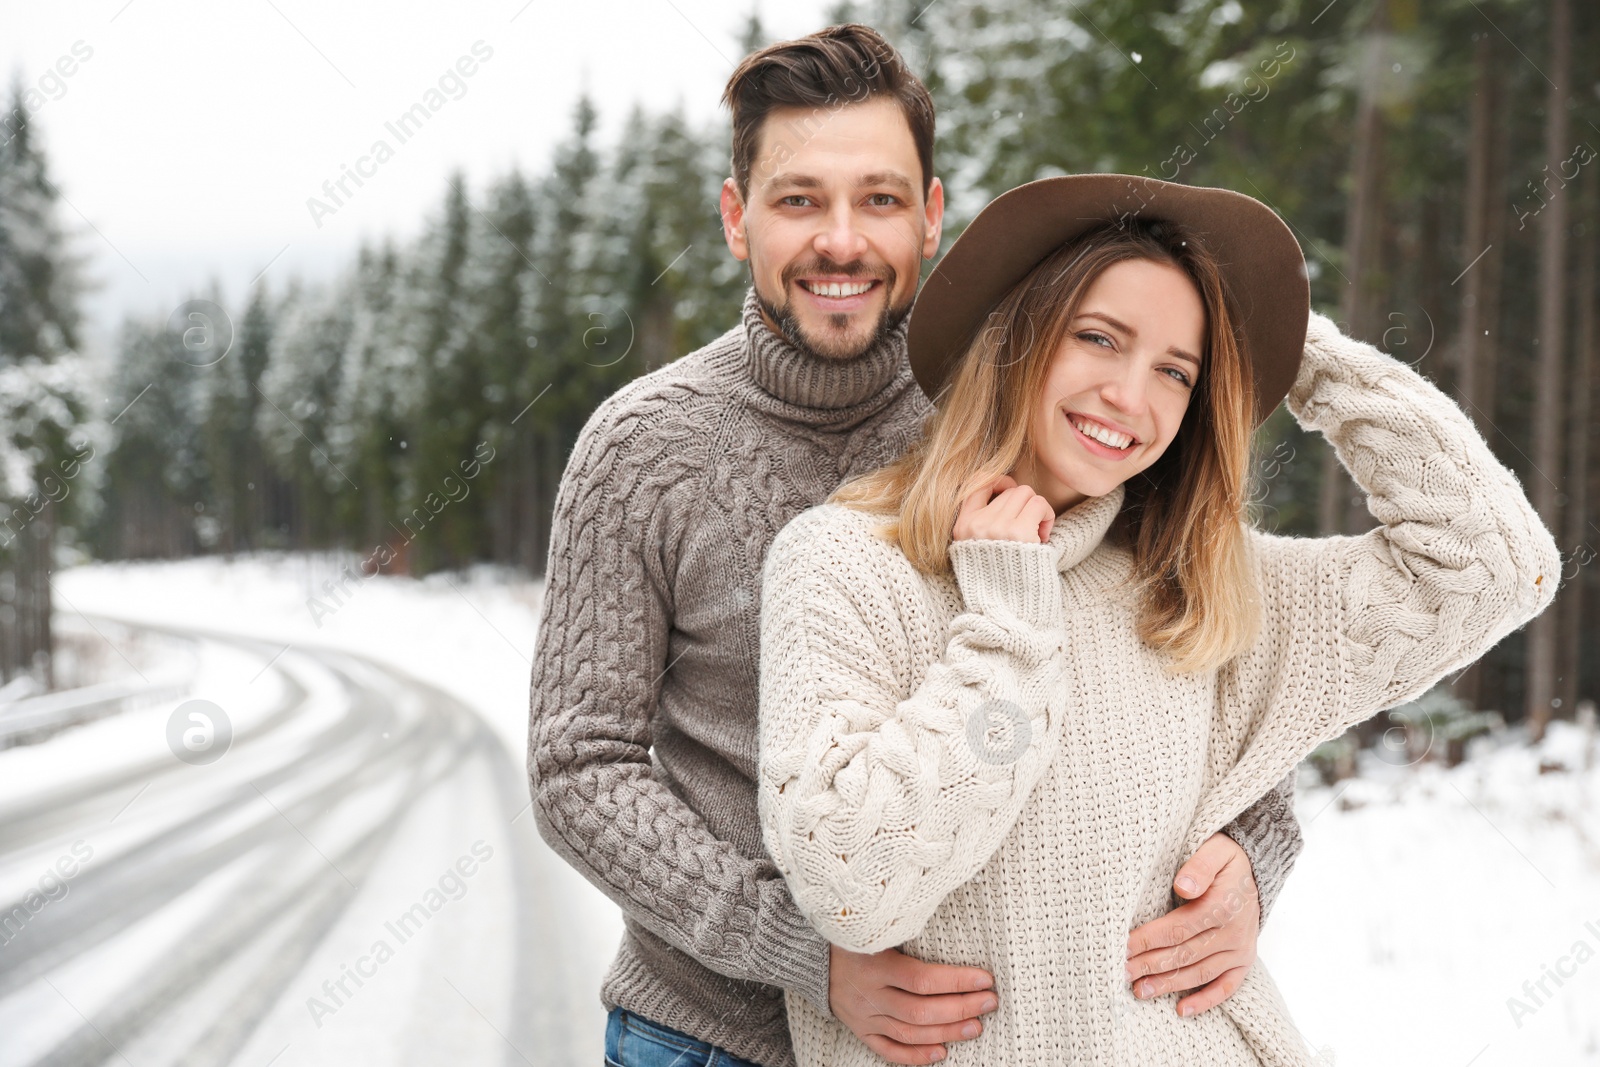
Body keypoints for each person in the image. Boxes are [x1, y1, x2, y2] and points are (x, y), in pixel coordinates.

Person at [527, 26, 1305, 1067]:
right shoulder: (643, 448)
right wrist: (805, 947)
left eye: (880, 200)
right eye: (799, 198)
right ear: (734, 216)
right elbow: (580, 764)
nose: (840, 240)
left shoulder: (1019, 420)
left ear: (931, 216)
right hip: (705, 1037)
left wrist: (1254, 856)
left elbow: (1199, 675)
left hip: (965, 1040)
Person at [755, 173, 1560, 1066]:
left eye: (1176, 370)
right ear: (1016, 338)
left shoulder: (1199, 590)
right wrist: (1012, 625)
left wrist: (1299, 348)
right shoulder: (846, 562)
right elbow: (853, 885)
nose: (1131, 399)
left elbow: (1492, 565)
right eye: (1100, 338)